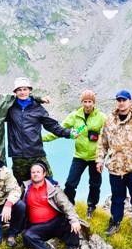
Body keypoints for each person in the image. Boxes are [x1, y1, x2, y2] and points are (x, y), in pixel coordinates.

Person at [43, 90, 106, 220]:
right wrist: (42, 139)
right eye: (85, 101)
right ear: (81, 102)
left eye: (90, 102)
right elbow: (59, 130)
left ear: (94, 103)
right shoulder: (75, 116)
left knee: (95, 184)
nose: (87, 104)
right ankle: (69, 206)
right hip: (79, 156)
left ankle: (91, 207)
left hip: (96, 158)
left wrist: (103, 156)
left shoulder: (101, 117)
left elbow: (107, 137)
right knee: (70, 184)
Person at [96, 90, 132, 235]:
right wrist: (99, 160)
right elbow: (103, 143)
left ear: (130, 102)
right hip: (115, 167)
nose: (121, 103)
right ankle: (115, 223)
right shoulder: (109, 120)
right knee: (117, 198)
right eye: (119, 100)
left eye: (124, 100)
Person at [7, 77, 74, 184]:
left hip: (36, 153)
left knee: (49, 182)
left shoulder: (38, 108)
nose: (22, 92)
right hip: (18, 156)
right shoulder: (10, 107)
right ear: (15, 92)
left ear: (29, 90)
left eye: (25, 89)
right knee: (20, 186)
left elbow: (52, 125)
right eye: (19, 90)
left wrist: (68, 133)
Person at [19, 161, 83, 249]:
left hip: (56, 222)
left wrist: (74, 220)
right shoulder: (25, 188)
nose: (35, 174)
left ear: (44, 174)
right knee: (27, 236)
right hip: (38, 226)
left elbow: (66, 205)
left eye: (38, 172)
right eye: (33, 172)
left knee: (70, 222)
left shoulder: (53, 188)